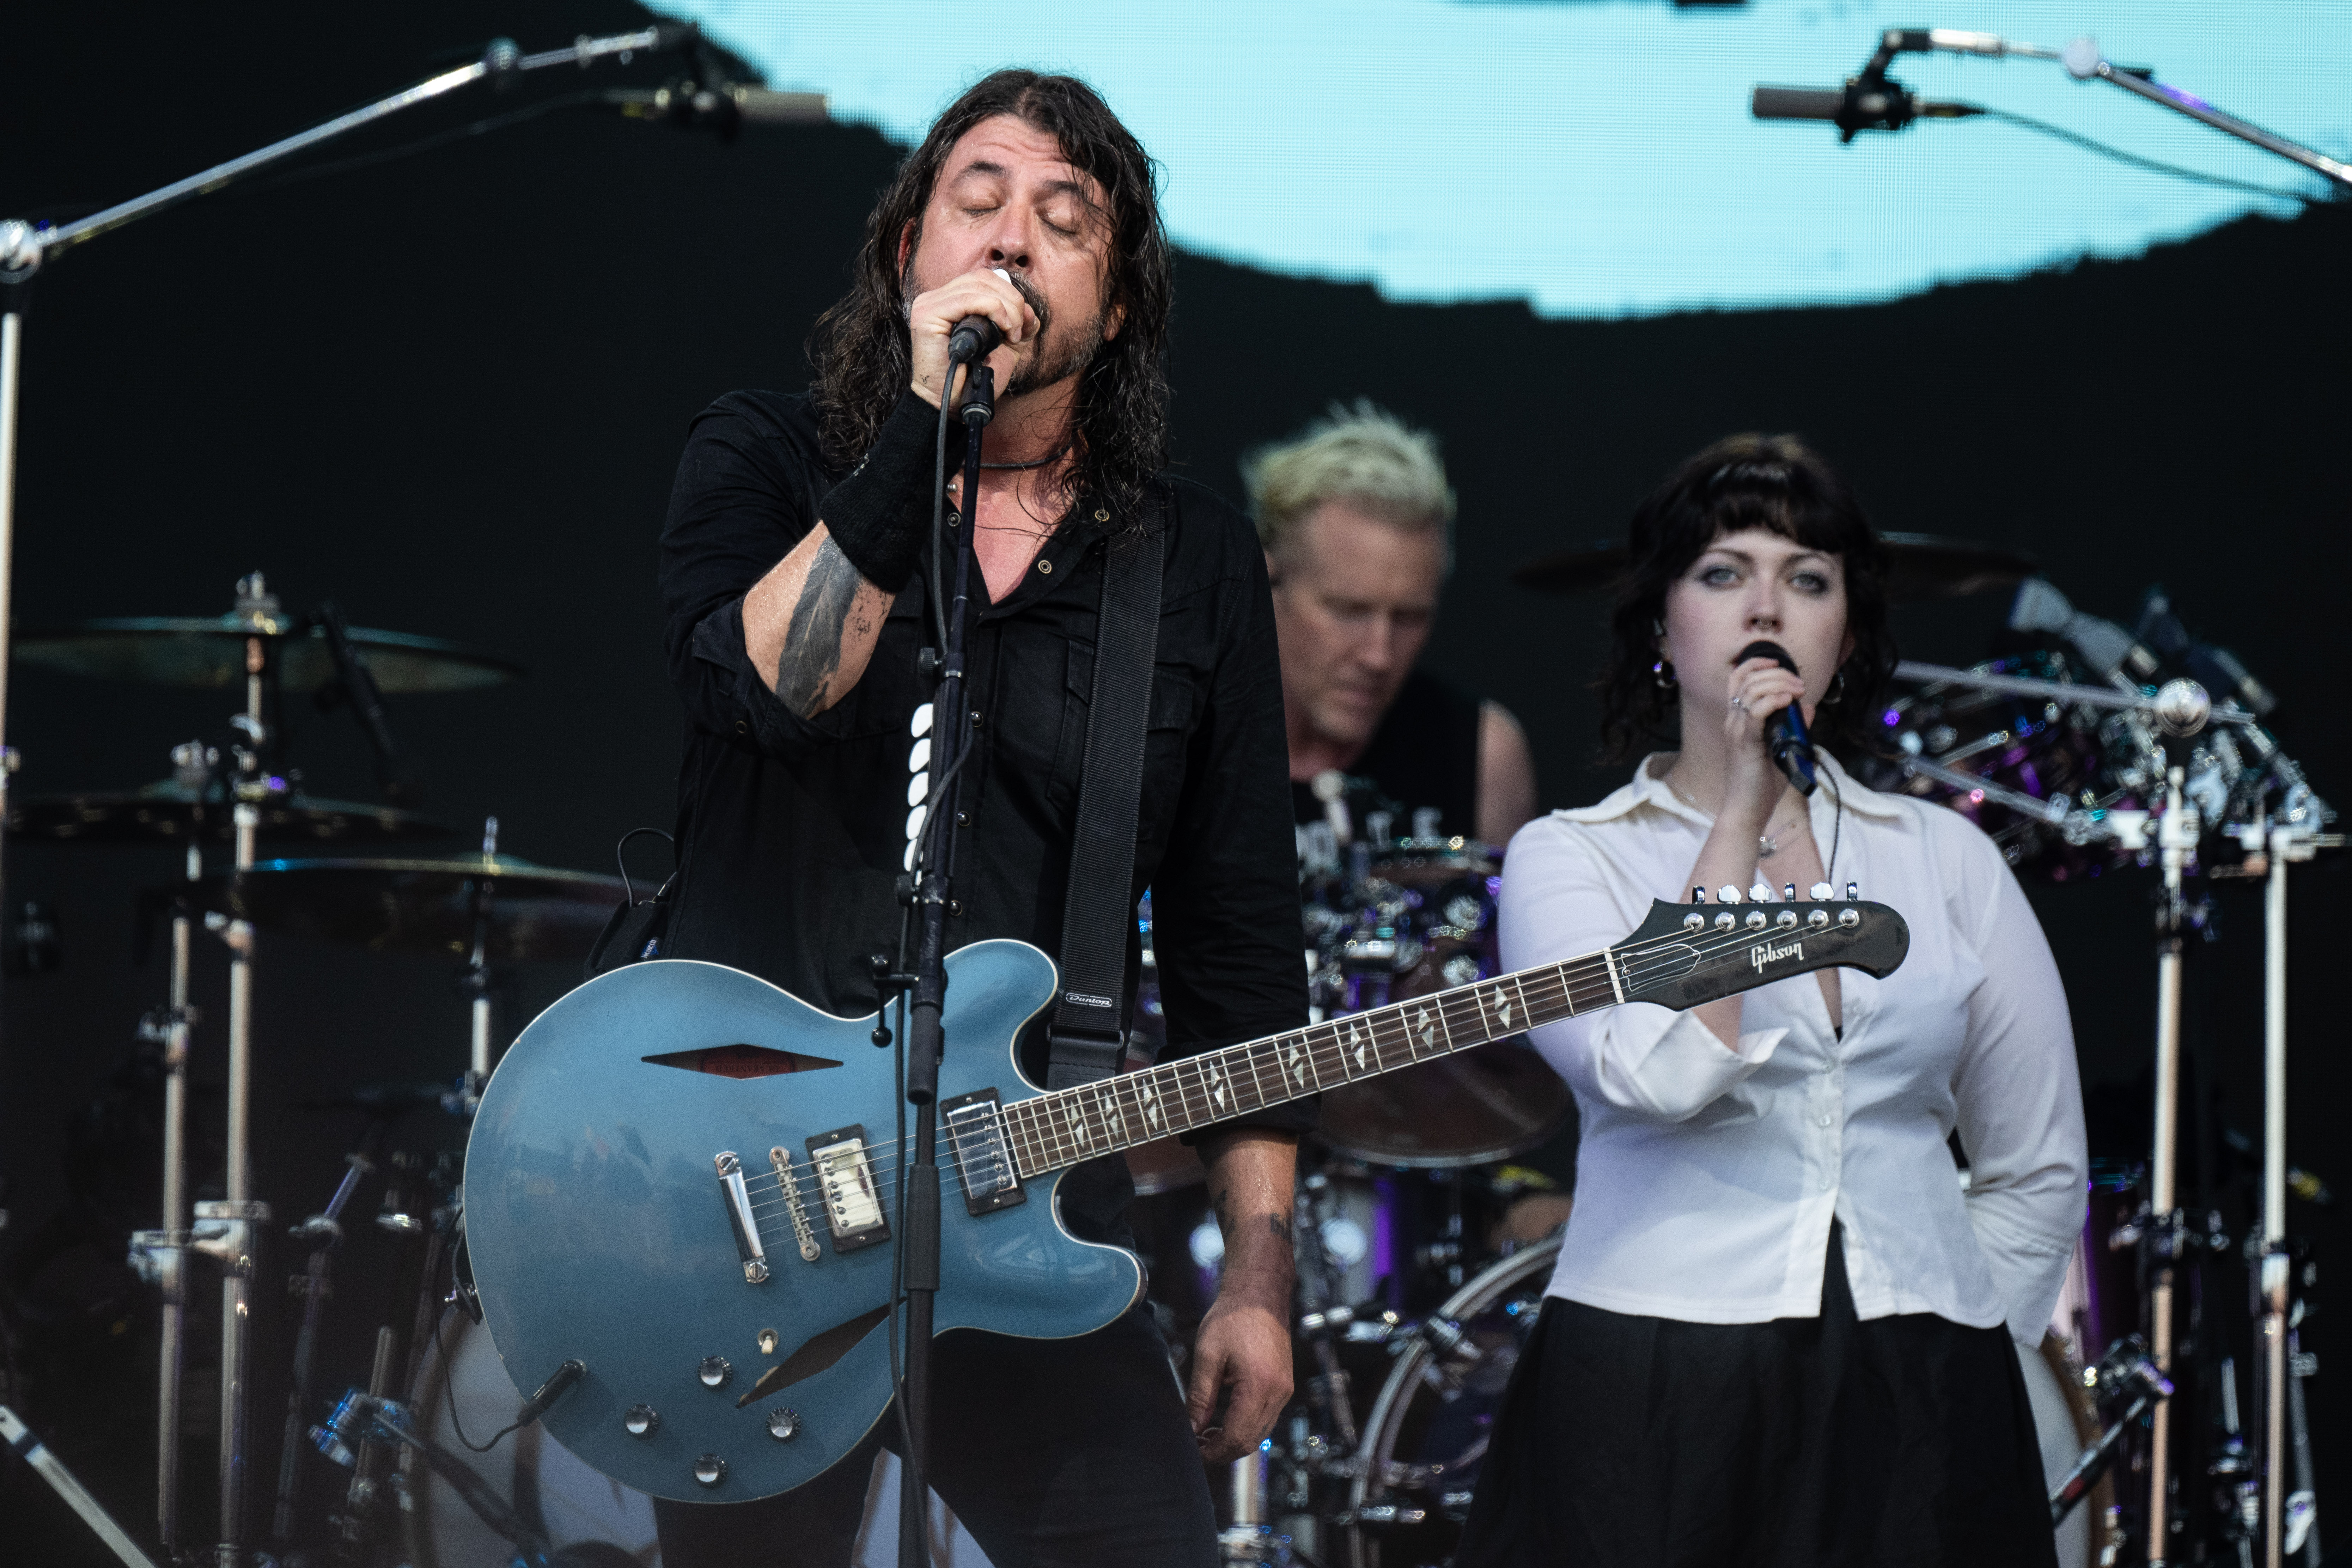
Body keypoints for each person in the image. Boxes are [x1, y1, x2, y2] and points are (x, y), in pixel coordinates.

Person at [655, 70, 1310, 1567]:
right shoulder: (761, 458)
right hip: (744, 1213)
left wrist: (1261, 1272)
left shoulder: (1191, 563)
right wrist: (919, 434)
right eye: (981, 201)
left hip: (1024, 1217)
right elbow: (765, 693)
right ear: (909, 260)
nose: (1016, 238)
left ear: (1122, 305)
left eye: (1067, 220)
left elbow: (1238, 952)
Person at [1460, 434, 2088, 1567]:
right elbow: (1660, 1075)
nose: (1768, 603)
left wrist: (1954, 1322)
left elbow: (2036, 1160)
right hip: (1654, 1381)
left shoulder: (1944, 858)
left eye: (1807, 579)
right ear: (1661, 625)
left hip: (1923, 1389)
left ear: (1844, 634)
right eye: (1722, 572)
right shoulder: (1571, 859)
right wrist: (1739, 820)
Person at [1245, 403, 1537, 848]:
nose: (1379, 655)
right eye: (1348, 610)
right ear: (1266, 582)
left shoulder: (1479, 753)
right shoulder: (1177, 745)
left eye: (1410, 617)